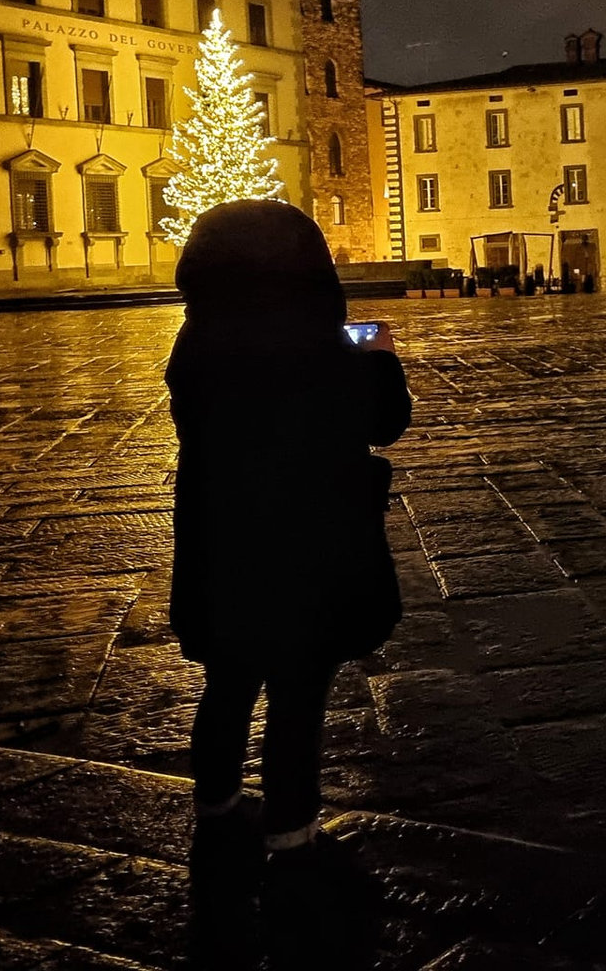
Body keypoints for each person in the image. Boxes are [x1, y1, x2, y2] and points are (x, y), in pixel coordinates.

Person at [168, 199, 412, 863]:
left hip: (224, 545)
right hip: (313, 545)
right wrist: (380, 354)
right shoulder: (325, 345)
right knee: (298, 692)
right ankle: (292, 830)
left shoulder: (197, 339)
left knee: (229, 681)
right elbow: (384, 421)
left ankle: (215, 803)